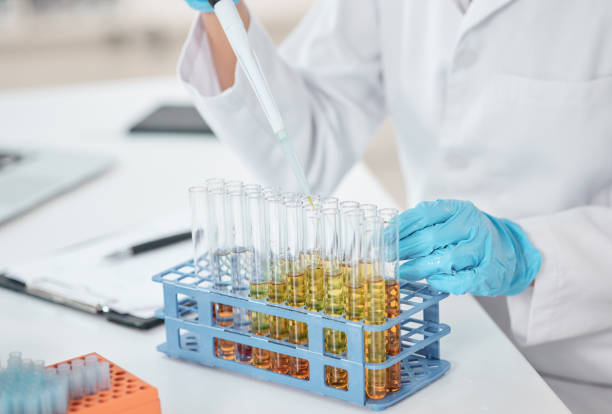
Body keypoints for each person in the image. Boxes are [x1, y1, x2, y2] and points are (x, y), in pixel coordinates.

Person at [179, 1, 612, 412]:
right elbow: (303, 146)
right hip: (433, 344)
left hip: (582, 368)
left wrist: (527, 253)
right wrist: (224, 14)